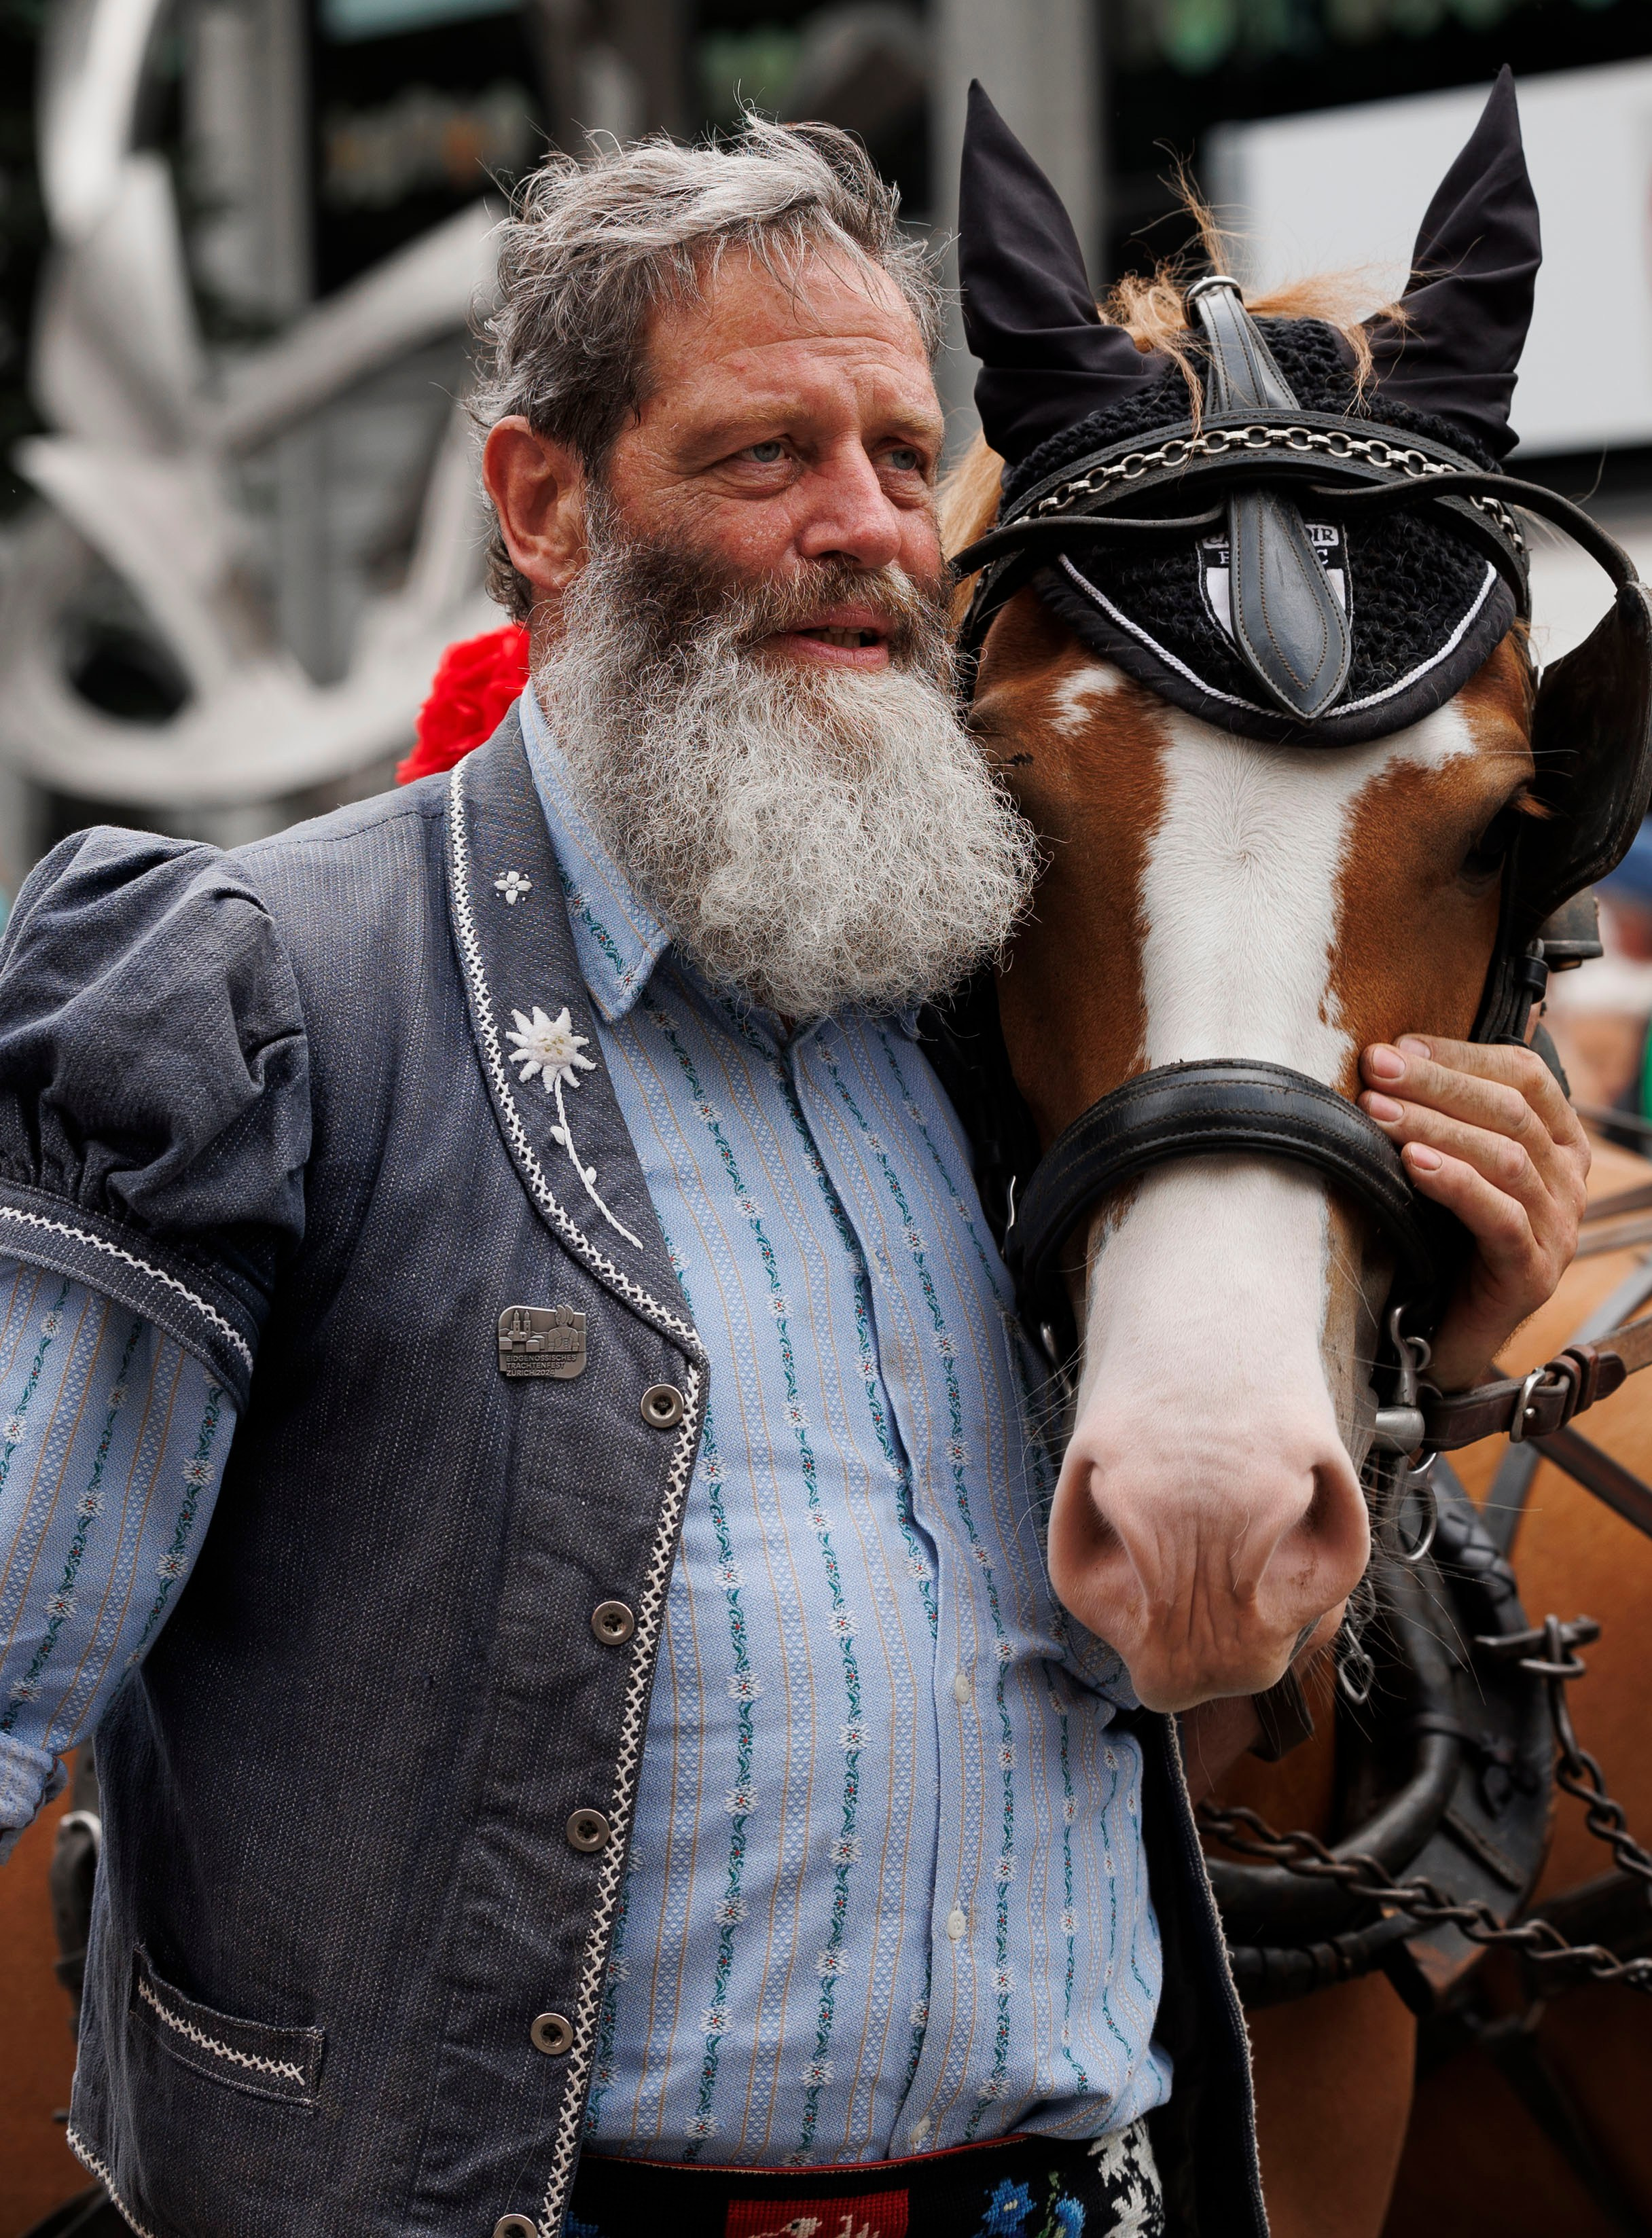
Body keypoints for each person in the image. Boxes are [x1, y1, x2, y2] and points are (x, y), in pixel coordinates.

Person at [0, 115, 1585, 2238]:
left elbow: (1154, 1720)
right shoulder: (265, 995)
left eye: (903, 456)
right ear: (542, 503)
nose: (868, 531)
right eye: (766, 457)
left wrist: (1413, 1362)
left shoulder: (1000, 1035)